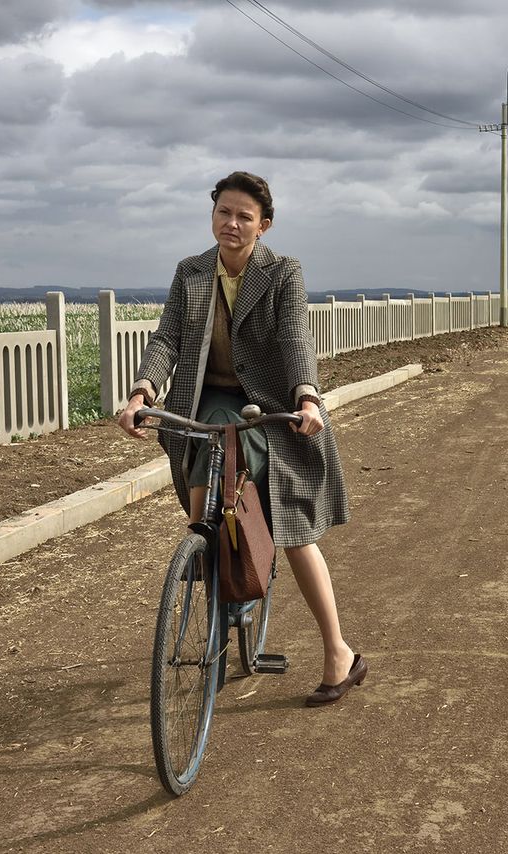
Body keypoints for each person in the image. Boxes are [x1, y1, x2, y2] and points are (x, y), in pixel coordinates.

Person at [116, 171, 366, 707]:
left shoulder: (282, 273)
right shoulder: (192, 272)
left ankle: (338, 652)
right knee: (202, 462)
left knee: (294, 531)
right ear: (212, 216)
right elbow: (167, 337)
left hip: (272, 406)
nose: (231, 224)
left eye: (244, 217)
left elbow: (297, 340)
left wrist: (307, 398)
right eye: (223, 213)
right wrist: (142, 391)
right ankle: (213, 556)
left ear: (263, 226)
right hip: (207, 398)